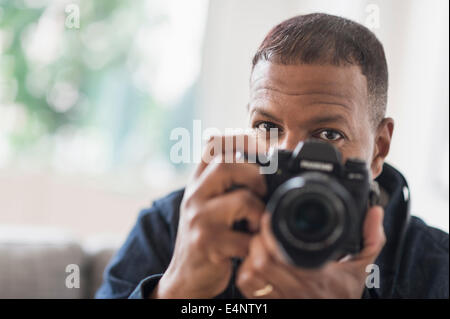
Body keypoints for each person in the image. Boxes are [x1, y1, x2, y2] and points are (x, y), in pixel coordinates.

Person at [96, 13, 449, 299]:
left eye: (328, 135)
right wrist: (176, 291)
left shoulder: (435, 265)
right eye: (267, 128)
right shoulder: (174, 227)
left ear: (378, 149)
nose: (287, 157)